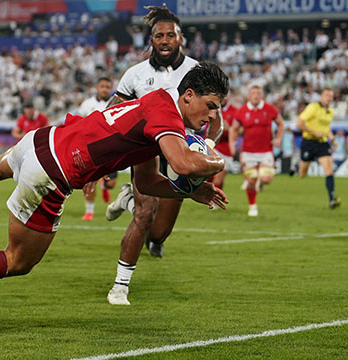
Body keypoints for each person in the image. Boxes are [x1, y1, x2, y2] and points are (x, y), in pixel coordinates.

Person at [0, 62, 230, 315]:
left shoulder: (157, 102)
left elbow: (145, 181)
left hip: (43, 139)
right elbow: (185, 164)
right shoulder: (168, 118)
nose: (213, 117)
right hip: (54, 173)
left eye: (219, 109)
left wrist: (187, 191)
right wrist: (219, 161)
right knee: (18, 260)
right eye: (211, 106)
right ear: (188, 96)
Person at [102, 5, 223, 306]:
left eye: (171, 34)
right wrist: (106, 162)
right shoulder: (135, 75)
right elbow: (111, 114)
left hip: (180, 152)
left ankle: (129, 201)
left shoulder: (197, 71)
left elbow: (215, 117)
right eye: (159, 35)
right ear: (151, 40)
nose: (165, 40)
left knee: (158, 232)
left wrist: (206, 145)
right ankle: (119, 286)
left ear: (181, 38)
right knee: (144, 216)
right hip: (145, 150)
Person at [229, 85, 284, 216]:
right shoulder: (242, 111)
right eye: (253, 93)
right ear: (248, 95)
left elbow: (281, 123)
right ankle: (252, 206)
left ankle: (260, 180)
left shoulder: (269, 109)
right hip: (248, 152)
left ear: (262, 96)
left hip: (265, 151)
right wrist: (232, 144)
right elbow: (234, 129)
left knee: (266, 179)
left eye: (258, 93)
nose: (256, 95)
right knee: (251, 181)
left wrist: (278, 138)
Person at [76, 77, 116, 220]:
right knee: (88, 180)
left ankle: (105, 186)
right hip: (91, 147)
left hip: (112, 147)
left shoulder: (116, 103)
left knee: (111, 184)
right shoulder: (87, 104)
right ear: (97, 88)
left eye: (107, 86)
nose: (105, 89)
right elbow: (79, 123)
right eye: (102, 86)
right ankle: (89, 211)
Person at [296, 88, 341, 209]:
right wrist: (313, 132)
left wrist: (332, 139)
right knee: (302, 174)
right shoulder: (312, 107)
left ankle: (332, 199)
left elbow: (326, 128)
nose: (329, 98)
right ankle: (297, 166)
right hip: (309, 142)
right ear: (321, 96)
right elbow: (299, 123)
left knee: (329, 169)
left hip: (322, 144)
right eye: (327, 95)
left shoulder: (330, 111)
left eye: (331, 96)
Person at [212, 97, 238, 190]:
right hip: (213, 146)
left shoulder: (235, 111)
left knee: (219, 179)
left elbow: (241, 130)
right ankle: (212, 202)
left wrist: (230, 129)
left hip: (226, 149)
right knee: (213, 176)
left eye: (226, 95)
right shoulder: (211, 107)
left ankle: (215, 200)